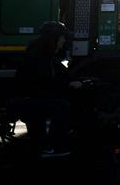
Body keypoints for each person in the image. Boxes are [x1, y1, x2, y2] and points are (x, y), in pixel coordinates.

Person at [11, 21, 74, 156]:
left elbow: (60, 75)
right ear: (54, 38)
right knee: (62, 106)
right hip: (27, 100)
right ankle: (55, 146)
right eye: (62, 37)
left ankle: (44, 145)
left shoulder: (43, 54)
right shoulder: (40, 57)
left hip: (30, 98)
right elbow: (47, 82)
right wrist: (69, 85)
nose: (64, 40)